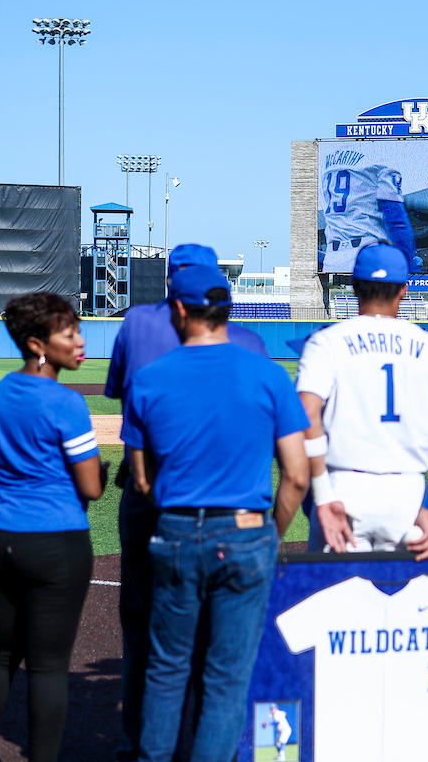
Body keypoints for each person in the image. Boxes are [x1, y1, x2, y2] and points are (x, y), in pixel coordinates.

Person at [122, 266, 310, 762]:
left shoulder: (149, 378)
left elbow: (140, 479)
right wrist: (271, 533)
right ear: (228, 308)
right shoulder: (269, 374)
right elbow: (296, 474)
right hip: (247, 530)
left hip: (177, 529)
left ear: (180, 310)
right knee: (226, 679)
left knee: (166, 671)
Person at [104, 243, 271, 762]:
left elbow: (120, 397)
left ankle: (140, 745)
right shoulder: (250, 342)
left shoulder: (136, 322)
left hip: (152, 498)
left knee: (147, 637)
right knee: (221, 653)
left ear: (172, 288)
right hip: (236, 510)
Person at [0, 293, 110, 762]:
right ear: (37, 343)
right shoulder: (67, 403)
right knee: (48, 668)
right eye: (69, 334)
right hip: (55, 540)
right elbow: (90, 487)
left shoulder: (3, 390)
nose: (80, 342)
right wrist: (102, 475)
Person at [297, 243, 428, 557]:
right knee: (399, 604)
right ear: (405, 290)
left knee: (335, 603)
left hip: (344, 488)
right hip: (406, 495)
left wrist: (323, 495)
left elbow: (305, 415)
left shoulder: (326, 343)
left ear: (354, 287)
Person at [319, 144, 419, 272]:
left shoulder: (330, 160)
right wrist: (407, 264)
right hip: (369, 253)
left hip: (332, 258)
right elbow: (396, 221)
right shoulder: (380, 154)